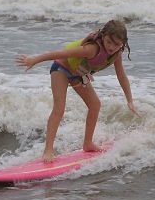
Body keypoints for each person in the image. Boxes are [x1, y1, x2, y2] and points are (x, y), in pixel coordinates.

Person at [16, 20, 141, 162]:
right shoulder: (91, 49)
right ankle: (48, 151)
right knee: (59, 108)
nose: (112, 47)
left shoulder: (117, 53)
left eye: (117, 44)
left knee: (95, 104)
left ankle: (87, 144)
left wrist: (129, 100)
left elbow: (121, 76)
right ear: (103, 36)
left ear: (122, 43)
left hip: (78, 75)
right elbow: (60, 54)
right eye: (109, 42)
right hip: (61, 70)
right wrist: (34, 60)